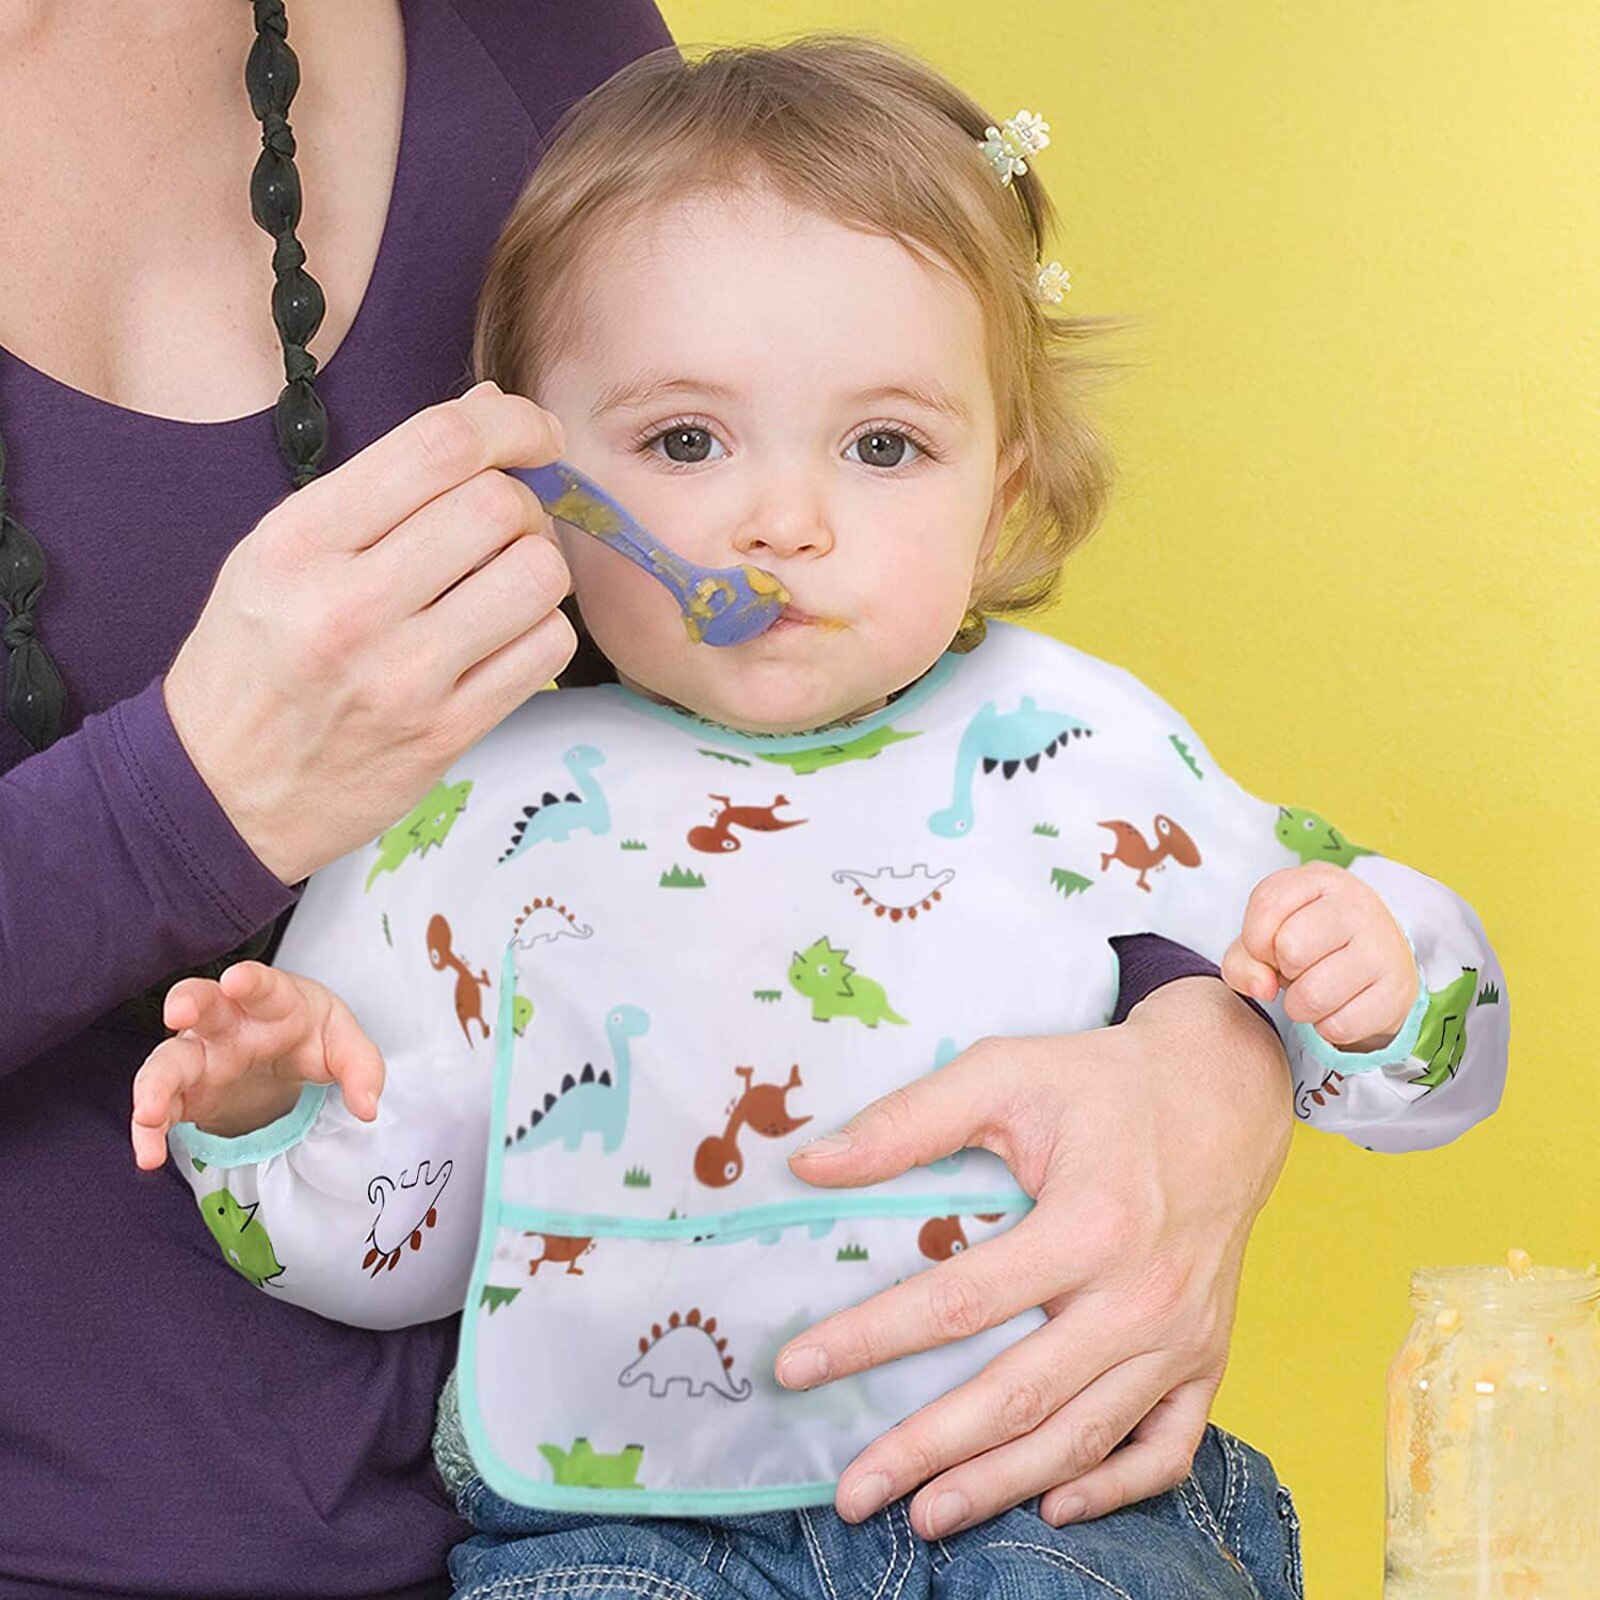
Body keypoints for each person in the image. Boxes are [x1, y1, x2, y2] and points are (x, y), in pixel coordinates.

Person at [127, 37, 1508, 1600]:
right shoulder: (463, 804)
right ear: (531, 476)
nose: (785, 520)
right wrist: (281, 1120)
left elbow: (1436, 1063)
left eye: (882, 445)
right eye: (686, 442)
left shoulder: (1069, 747)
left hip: (1052, 1502)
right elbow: (398, 1266)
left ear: (1002, 494)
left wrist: (1373, 975)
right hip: (618, 1535)